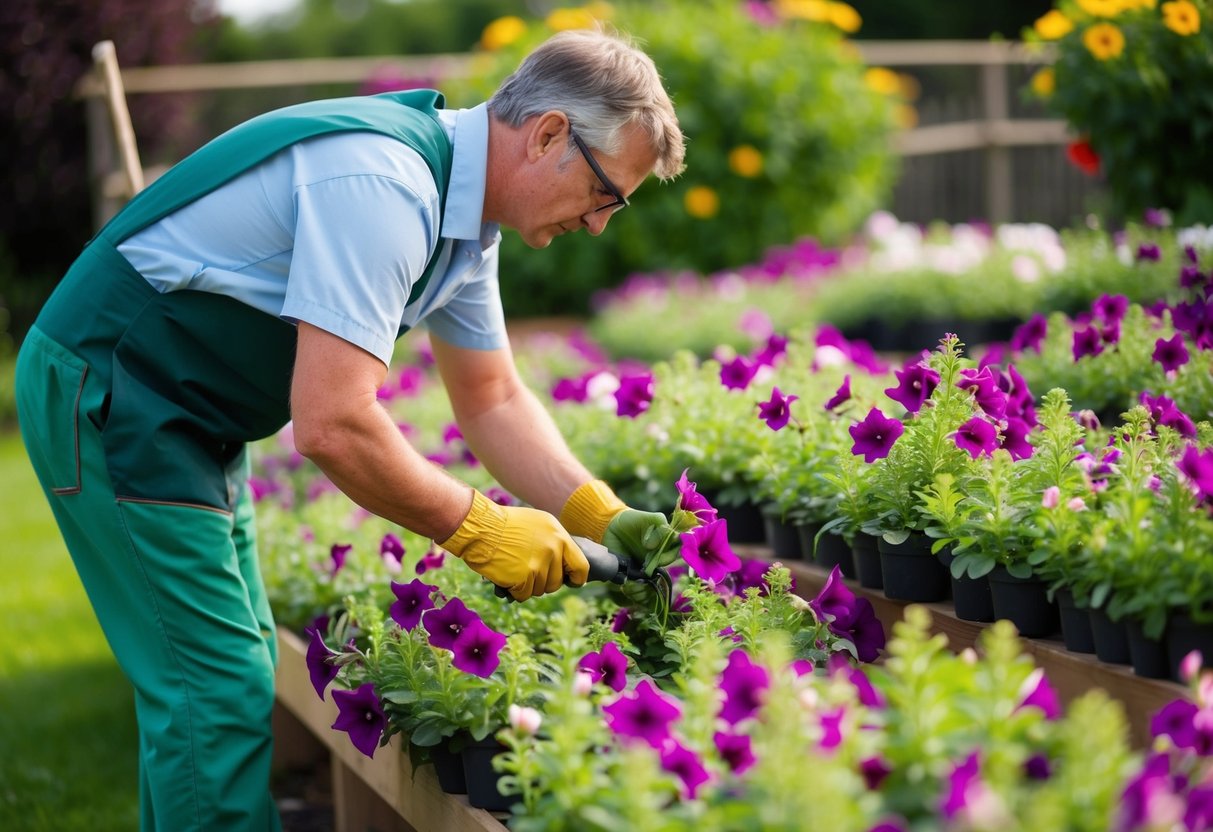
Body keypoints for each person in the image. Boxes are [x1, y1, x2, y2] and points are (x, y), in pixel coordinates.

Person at [15, 26, 685, 831]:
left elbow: (493, 399)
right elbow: (333, 424)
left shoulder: (467, 227)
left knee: (233, 673)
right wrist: (477, 528)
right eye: (605, 194)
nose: (600, 224)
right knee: (213, 690)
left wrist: (597, 514)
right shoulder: (385, 184)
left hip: (191, 409)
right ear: (548, 134)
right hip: (116, 388)